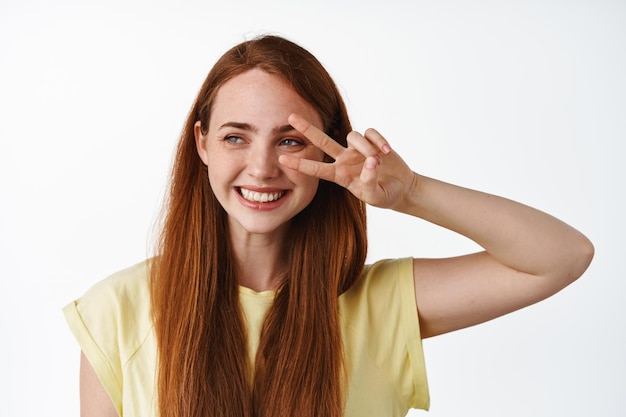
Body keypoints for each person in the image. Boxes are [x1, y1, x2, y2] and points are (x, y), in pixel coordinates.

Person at [64, 35, 594, 417]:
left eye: (290, 140)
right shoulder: (117, 310)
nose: (262, 167)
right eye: (235, 137)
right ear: (201, 143)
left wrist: (411, 193)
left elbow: (563, 255)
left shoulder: (378, 305)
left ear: (327, 147)